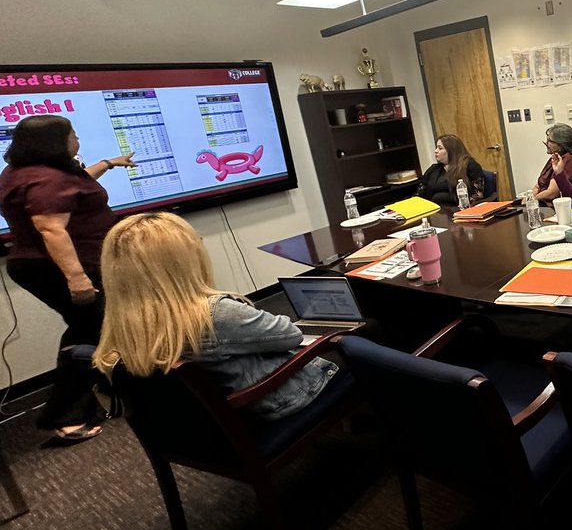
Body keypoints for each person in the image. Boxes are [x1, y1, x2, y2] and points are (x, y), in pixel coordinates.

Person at [91, 212, 339, 420]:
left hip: (206, 428)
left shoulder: (125, 326)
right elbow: (290, 335)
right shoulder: (214, 314)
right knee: (356, 341)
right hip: (275, 402)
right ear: (181, 261)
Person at [0, 115, 135, 443]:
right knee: (93, 328)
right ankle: (66, 416)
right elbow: (51, 228)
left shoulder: (29, 172)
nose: (77, 139)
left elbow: (76, 189)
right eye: (73, 134)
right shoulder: (48, 179)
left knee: (90, 327)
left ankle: (98, 398)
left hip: (40, 266)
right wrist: (76, 279)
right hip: (60, 268)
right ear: (53, 141)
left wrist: (108, 164)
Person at [417, 135, 485, 206]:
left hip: (459, 209)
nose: (436, 151)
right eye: (436, 148)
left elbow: (478, 194)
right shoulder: (434, 169)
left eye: (440, 148)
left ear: (451, 150)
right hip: (435, 210)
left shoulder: (470, 165)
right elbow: (420, 192)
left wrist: (464, 206)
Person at [532, 124, 572, 202]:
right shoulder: (554, 159)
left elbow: (551, 193)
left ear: (561, 145)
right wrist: (529, 199)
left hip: (554, 208)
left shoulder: (569, 160)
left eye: (549, 141)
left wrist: (532, 200)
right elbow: (538, 186)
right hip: (540, 204)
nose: (546, 143)